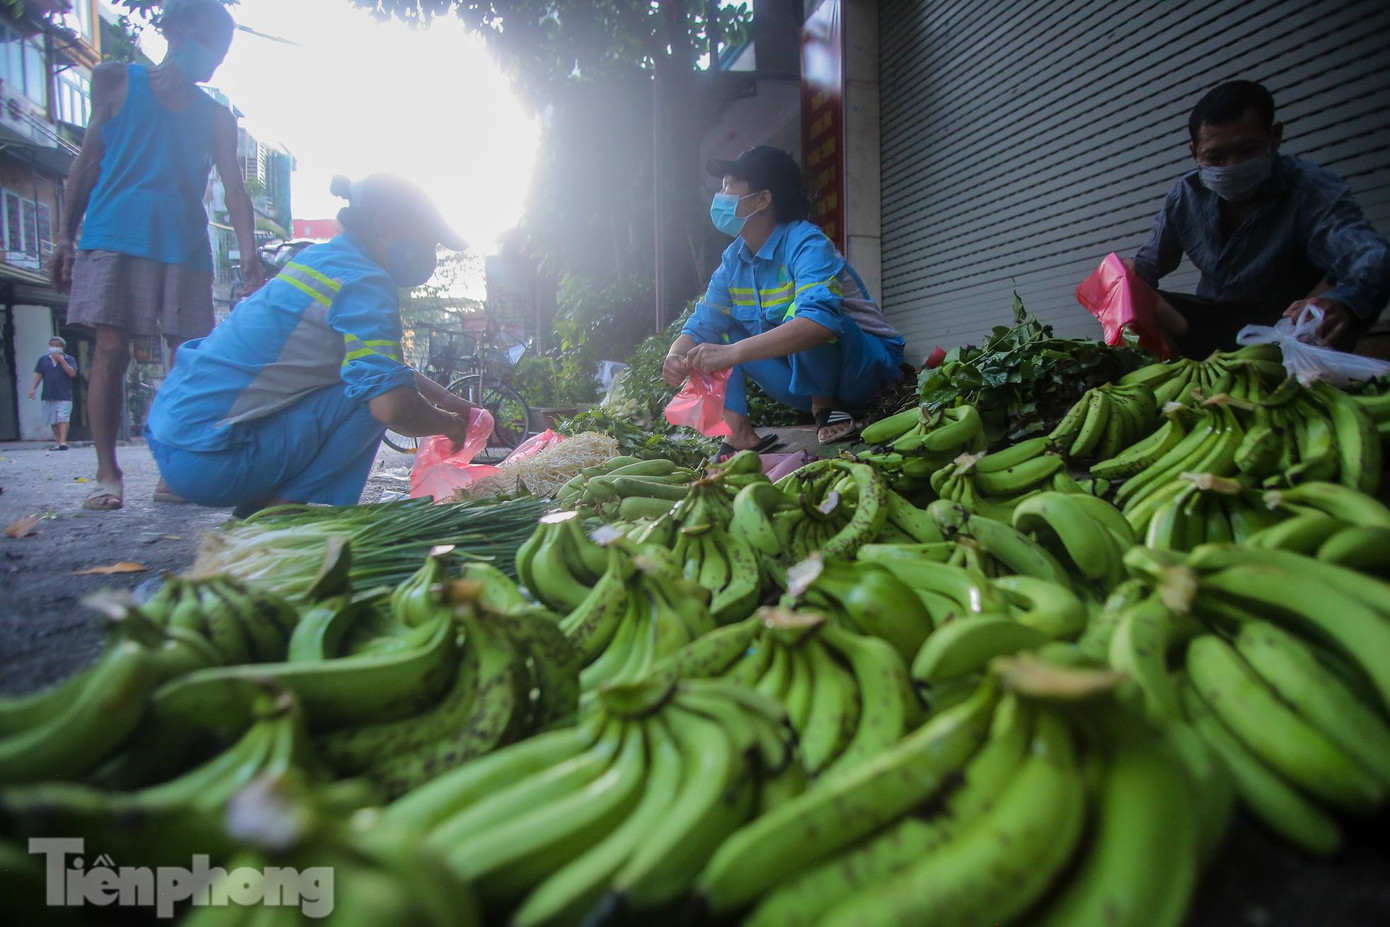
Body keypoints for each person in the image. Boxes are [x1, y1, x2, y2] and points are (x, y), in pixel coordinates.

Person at [144, 173, 476, 516]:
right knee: (371, 396)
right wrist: (452, 426)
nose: (429, 255)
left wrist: (452, 403)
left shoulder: (322, 260)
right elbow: (392, 405)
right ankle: (276, 516)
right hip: (212, 460)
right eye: (428, 241)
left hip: (172, 436)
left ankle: (263, 507)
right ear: (387, 225)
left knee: (373, 380)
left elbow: (381, 366)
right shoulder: (366, 281)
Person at [49, 0, 266, 511]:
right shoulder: (114, 80)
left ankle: (176, 471)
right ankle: (108, 475)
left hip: (184, 246)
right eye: (208, 41)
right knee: (111, 352)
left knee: (187, 363)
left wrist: (250, 251)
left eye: (222, 48)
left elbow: (236, 189)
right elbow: (85, 163)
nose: (213, 56)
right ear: (174, 30)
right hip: (112, 236)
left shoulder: (216, 116)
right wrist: (64, 237)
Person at [663, 146, 906, 451]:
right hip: (801, 381)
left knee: (806, 312)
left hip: (868, 370)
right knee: (713, 338)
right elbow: (701, 326)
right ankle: (738, 433)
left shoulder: (806, 242)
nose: (720, 195)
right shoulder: (733, 261)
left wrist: (733, 353)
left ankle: (825, 408)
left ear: (762, 199)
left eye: (728, 185)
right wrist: (675, 356)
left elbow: (820, 322)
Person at [1130, 80, 1390, 358]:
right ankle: (1181, 377)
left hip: (1284, 327)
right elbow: (1148, 265)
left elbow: (1370, 256)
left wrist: (1340, 302)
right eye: (1215, 157)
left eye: (1247, 151)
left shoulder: (1309, 189)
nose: (1232, 166)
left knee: (1331, 296)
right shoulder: (1187, 195)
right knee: (1140, 302)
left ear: (1274, 137)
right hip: (1213, 321)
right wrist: (1120, 281)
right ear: (1194, 152)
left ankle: (1303, 376)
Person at [28, 336, 77, 450]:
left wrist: (61, 360)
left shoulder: (69, 359)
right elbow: (39, 375)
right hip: (48, 394)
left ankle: (63, 442)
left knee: (63, 418)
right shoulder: (43, 360)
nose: (54, 347)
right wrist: (33, 389)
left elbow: (72, 373)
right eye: (52, 345)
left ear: (63, 347)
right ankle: (59, 442)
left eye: (57, 345)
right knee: (53, 420)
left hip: (64, 394)